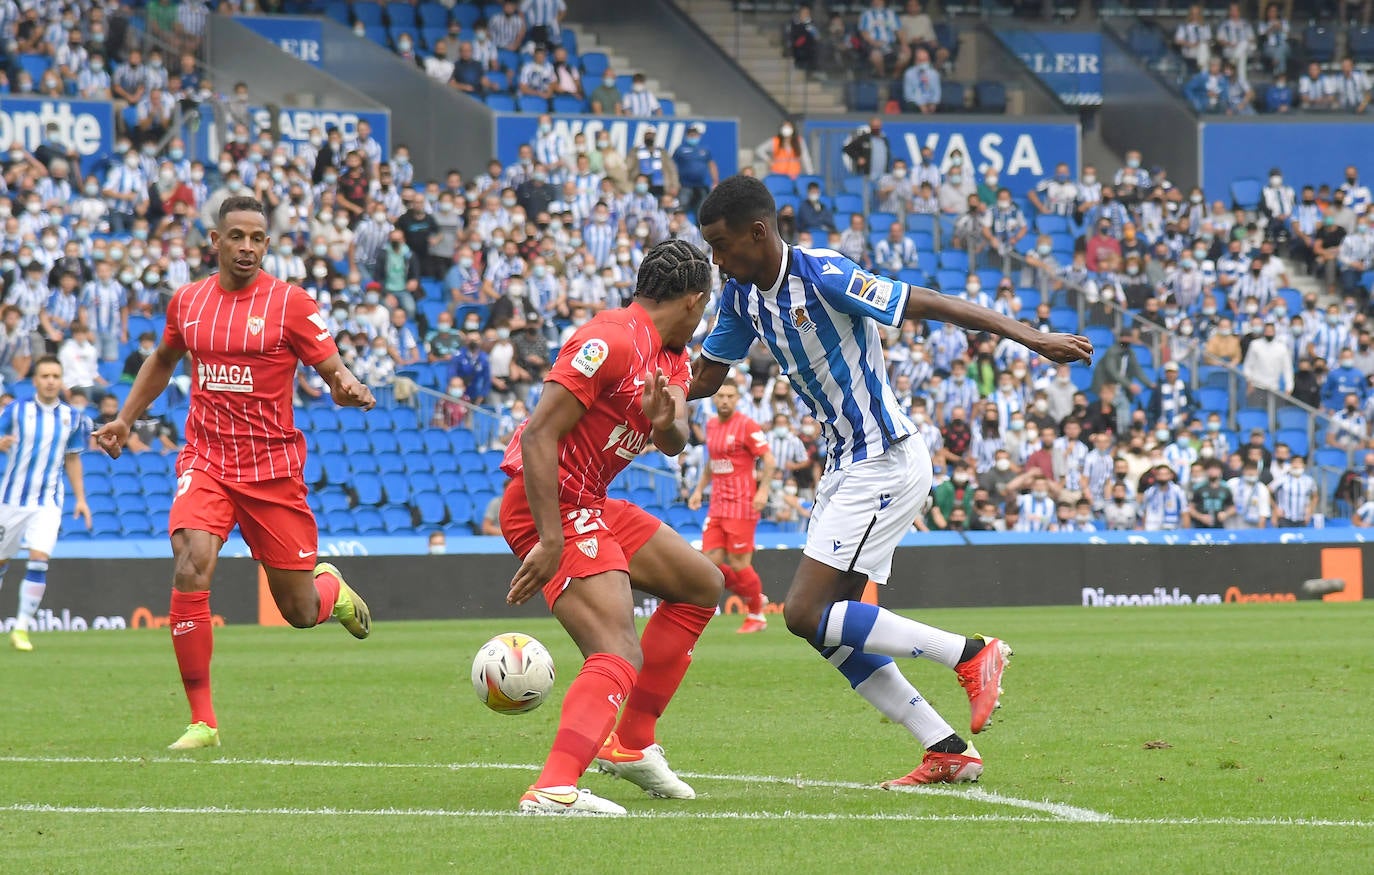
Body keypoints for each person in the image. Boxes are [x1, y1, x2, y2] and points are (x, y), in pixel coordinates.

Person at [692, 176, 1092, 786]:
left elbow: (927, 302)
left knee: (803, 614)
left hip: (883, 458)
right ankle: (945, 748)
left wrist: (1032, 338)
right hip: (845, 464)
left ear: (759, 232)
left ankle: (972, 654)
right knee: (836, 629)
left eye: (722, 246)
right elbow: (705, 376)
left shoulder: (823, 273)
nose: (717, 261)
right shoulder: (742, 298)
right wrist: (643, 378)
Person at [92, 196, 377, 751]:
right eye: (237, 236)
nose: (247, 246)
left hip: (272, 471)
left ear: (266, 245)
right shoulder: (189, 302)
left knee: (296, 611)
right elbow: (163, 359)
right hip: (207, 460)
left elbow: (333, 367)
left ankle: (331, 591)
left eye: (257, 238)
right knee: (190, 562)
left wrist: (344, 384)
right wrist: (125, 419)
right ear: (216, 241)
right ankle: (204, 721)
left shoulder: (290, 304)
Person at [499, 240, 723, 814]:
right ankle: (553, 788)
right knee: (617, 649)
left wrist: (663, 422)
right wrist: (550, 541)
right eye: (706, 307)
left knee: (701, 585)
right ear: (694, 301)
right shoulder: (611, 340)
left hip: (592, 501)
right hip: (550, 506)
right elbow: (537, 436)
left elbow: (674, 440)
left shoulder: (670, 356)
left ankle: (631, 742)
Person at [1, 357, 92, 651]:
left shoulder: (72, 417)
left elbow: (73, 458)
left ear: (61, 379)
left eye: (55, 375)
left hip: (48, 502)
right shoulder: (16, 411)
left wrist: (80, 499)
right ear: (36, 380)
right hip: (11, 500)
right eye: (45, 375)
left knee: (39, 558)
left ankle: (21, 629)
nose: (51, 380)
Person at [688, 382, 777, 633]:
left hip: (742, 504)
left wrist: (763, 490)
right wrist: (698, 490)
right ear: (714, 400)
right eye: (721, 396)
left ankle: (757, 615)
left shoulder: (747, 425)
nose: (725, 400)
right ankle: (756, 596)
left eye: (730, 396)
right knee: (708, 565)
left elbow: (769, 460)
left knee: (739, 564)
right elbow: (712, 463)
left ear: (738, 399)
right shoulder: (711, 424)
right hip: (717, 504)